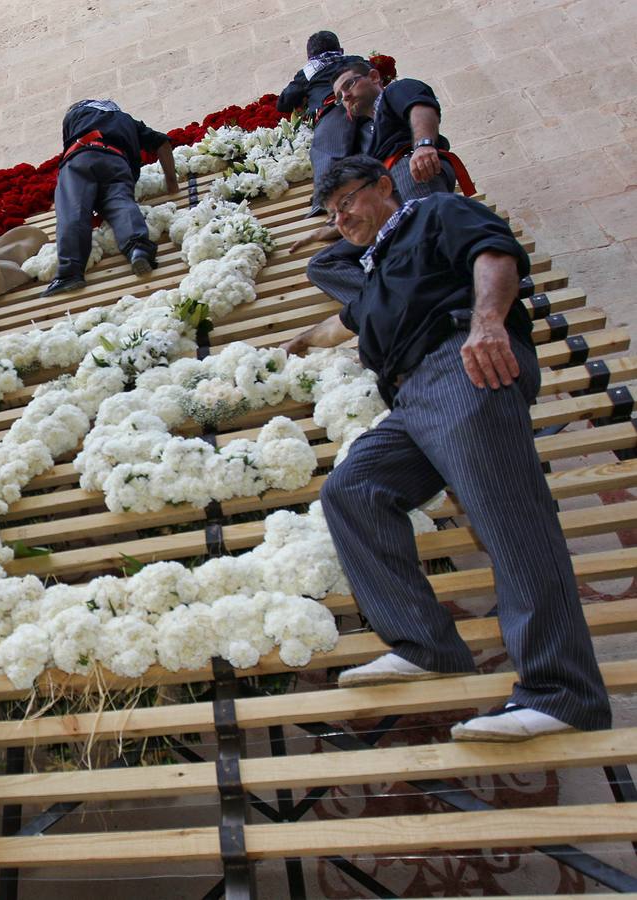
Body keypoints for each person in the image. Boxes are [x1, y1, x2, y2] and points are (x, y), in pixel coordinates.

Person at [283, 156, 611, 742]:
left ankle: (562, 691)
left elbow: (494, 254)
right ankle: (426, 644)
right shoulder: (378, 269)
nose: (341, 218)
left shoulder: (434, 213)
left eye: (348, 202)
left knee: (509, 521)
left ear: (384, 186)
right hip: (410, 402)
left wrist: (488, 323)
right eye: (331, 214)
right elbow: (340, 326)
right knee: (352, 490)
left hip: (462, 363)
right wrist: (294, 348)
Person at [303, 59, 475, 306]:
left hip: (409, 166)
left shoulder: (396, 90)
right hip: (387, 199)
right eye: (340, 96)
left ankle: (456, 291)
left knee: (425, 230)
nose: (346, 96)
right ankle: (393, 304)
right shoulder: (370, 139)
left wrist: (424, 146)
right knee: (321, 265)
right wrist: (329, 228)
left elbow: (420, 107)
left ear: (374, 77)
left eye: (349, 85)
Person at [43, 100, 179, 296]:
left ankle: (70, 272)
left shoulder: (74, 116)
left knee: (73, 210)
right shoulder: (126, 120)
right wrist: (172, 185)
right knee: (120, 202)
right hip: (116, 161)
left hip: (80, 156)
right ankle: (138, 249)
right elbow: (162, 143)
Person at [275, 31, 364, 218]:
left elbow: (283, 102)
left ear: (310, 57)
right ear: (340, 50)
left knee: (325, 150)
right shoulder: (354, 60)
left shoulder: (308, 72)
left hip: (331, 110)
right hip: (363, 106)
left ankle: (324, 197)